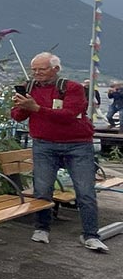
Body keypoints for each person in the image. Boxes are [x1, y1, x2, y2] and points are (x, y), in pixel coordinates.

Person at [11, 53, 108, 252]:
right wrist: (22, 106)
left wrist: (36, 108)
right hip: (44, 144)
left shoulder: (73, 88)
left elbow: (69, 115)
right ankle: (41, 228)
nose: (37, 73)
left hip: (78, 144)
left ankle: (90, 234)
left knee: (85, 191)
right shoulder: (30, 88)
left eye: (42, 69)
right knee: (42, 189)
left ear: (55, 69)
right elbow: (18, 117)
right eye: (34, 69)